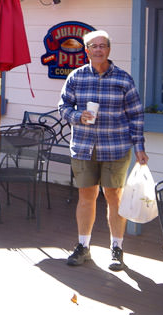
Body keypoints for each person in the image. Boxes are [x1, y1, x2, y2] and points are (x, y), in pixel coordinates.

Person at [58, 29, 147, 271]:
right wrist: (77, 115)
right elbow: (63, 106)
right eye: (93, 46)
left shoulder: (123, 79)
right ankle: (83, 246)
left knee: (114, 198)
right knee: (86, 197)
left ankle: (117, 249)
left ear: (109, 50)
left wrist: (139, 146)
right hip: (84, 147)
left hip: (116, 148)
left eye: (103, 46)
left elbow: (136, 115)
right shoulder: (76, 77)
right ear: (86, 50)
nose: (98, 49)